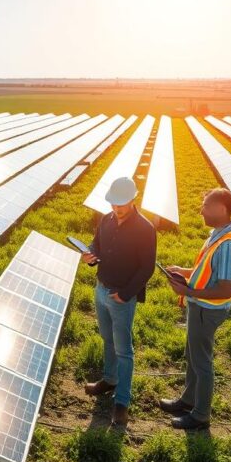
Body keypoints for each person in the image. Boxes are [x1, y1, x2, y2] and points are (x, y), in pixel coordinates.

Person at [161, 188, 231, 430]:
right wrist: (184, 271)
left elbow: (224, 289)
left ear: (221, 209)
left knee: (201, 362)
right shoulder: (217, 235)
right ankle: (188, 399)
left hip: (208, 310)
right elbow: (206, 273)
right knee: (192, 355)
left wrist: (187, 291)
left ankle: (200, 414)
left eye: (205, 206)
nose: (201, 210)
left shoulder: (228, 244)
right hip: (199, 306)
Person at [81, 176, 156, 425]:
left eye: (121, 203)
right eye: (113, 203)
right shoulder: (106, 220)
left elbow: (146, 268)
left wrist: (125, 294)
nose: (116, 208)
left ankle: (122, 401)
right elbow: (97, 244)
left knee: (124, 350)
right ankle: (109, 379)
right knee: (106, 338)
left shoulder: (145, 229)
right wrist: (91, 255)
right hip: (101, 289)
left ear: (134, 199)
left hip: (122, 297)